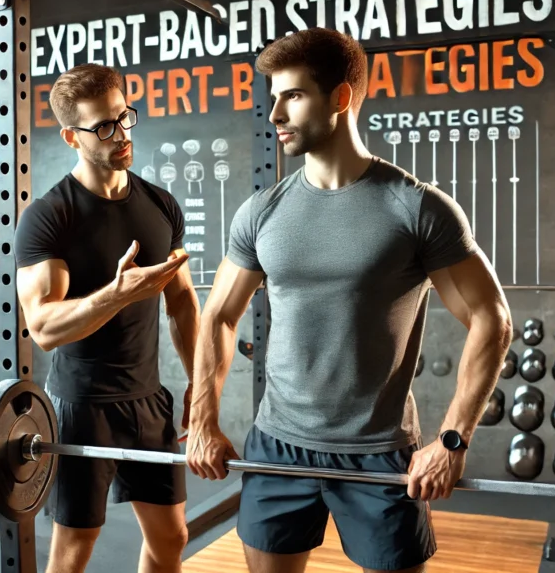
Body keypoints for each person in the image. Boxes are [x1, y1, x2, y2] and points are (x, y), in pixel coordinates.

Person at [186, 28, 513, 573]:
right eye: (273, 99)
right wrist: (202, 421)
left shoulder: (415, 208)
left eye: (293, 96)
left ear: (340, 98)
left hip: (379, 453)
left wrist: (452, 441)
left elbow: (490, 318)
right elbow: (219, 314)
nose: (275, 116)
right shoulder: (261, 212)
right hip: (278, 446)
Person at [14, 63, 199, 573]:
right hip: (82, 406)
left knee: (171, 538)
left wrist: (198, 380)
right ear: (72, 136)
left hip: (149, 400)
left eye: (124, 118)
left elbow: (181, 301)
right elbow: (44, 328)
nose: (121, 135)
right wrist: (115, 295)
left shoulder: (160, 205)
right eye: (103, 126)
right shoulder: (50, 217)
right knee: (74, 551)